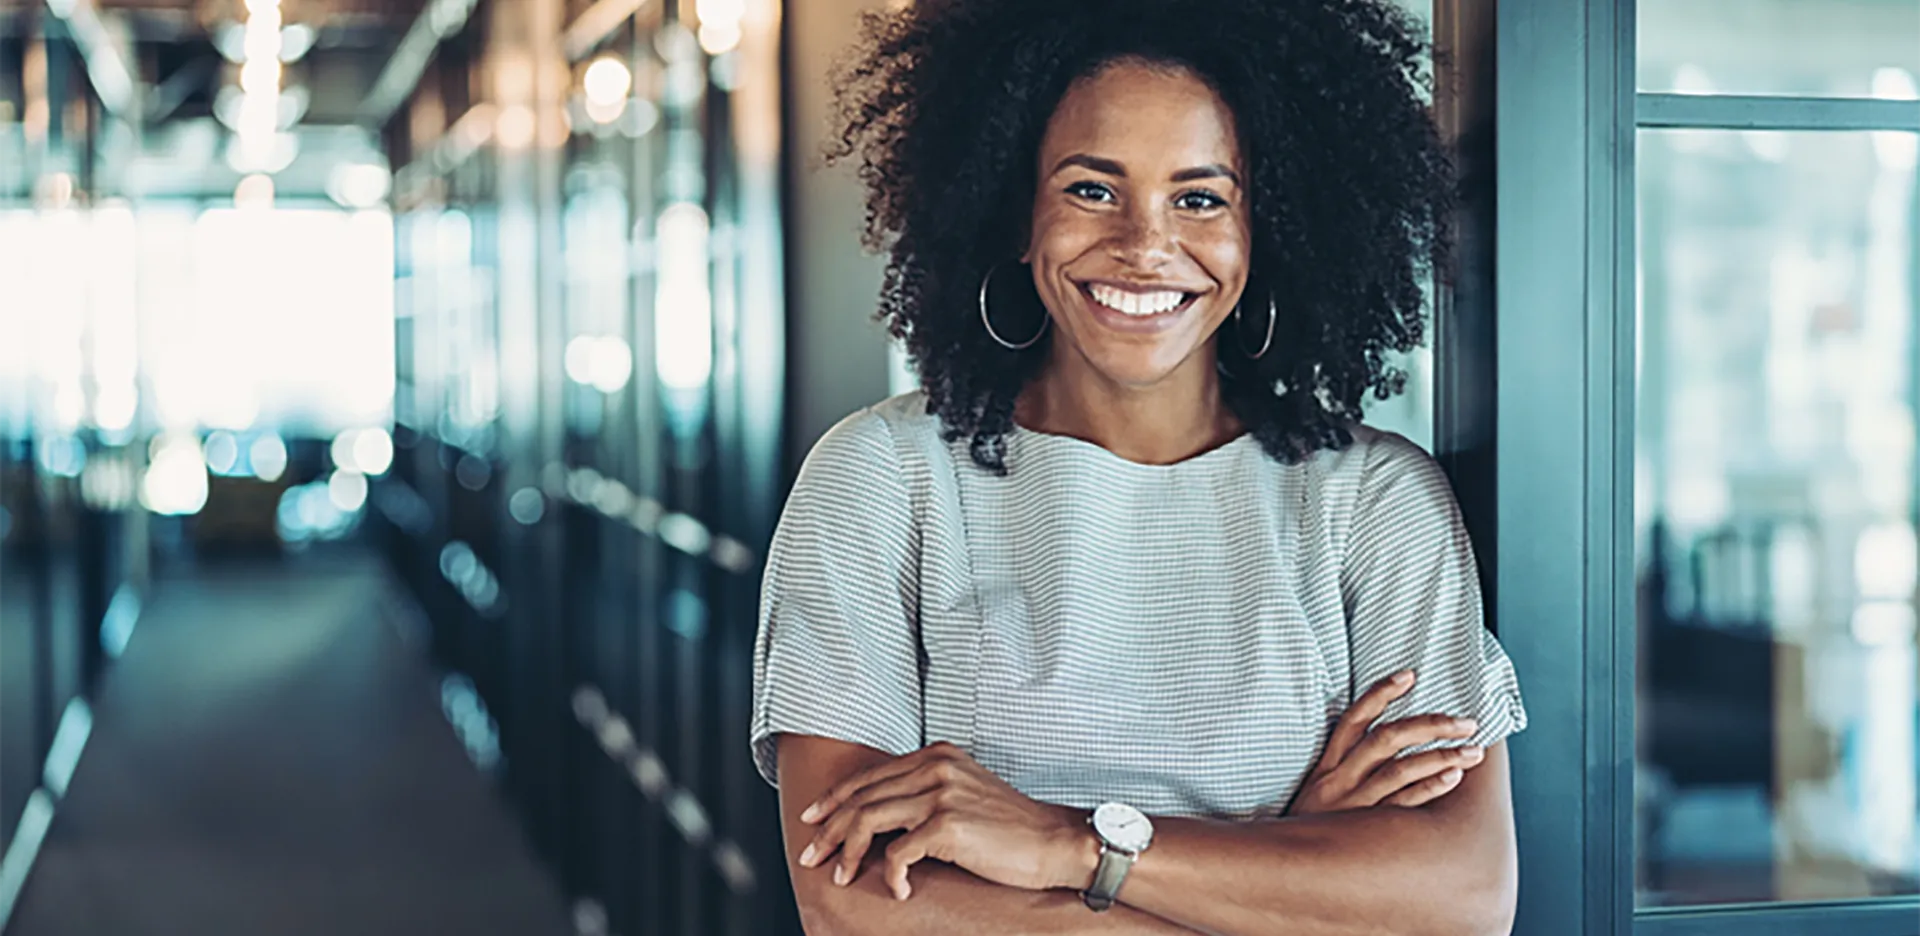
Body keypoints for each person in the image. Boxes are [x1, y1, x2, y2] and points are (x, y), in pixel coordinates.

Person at [750, 0, 1527, 931]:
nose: (1146, 245)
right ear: (1014, 207)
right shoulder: (880, 480)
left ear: (1267, 228)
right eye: (1090, 188)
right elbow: (848, 904)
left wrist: (1068, 844)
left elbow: (1463, 897)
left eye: (1200, 197)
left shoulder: (1374, 502)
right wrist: (1286, 877)